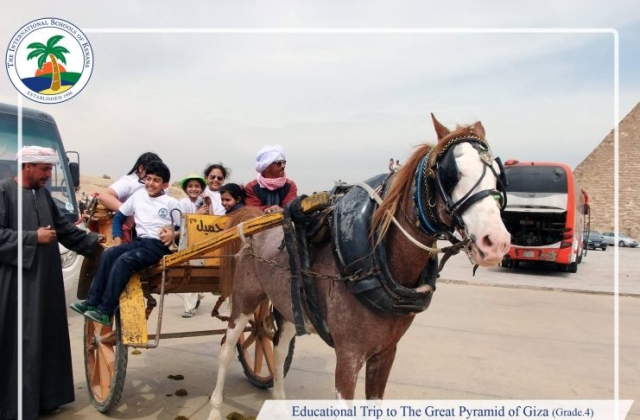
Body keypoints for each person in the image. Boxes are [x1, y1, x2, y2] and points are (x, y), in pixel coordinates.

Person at [0, 146, 103, 420]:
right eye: (45, 170)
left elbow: (64, 230)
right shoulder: (3, 192)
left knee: (48, 335)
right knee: (22, 339)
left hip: (46, 281)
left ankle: (47, 399)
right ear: (28, 167)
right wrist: (32, 237)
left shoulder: (43, 194)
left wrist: (94, 242)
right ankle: (17, 406)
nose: (48, 175)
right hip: (16, 285)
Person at [69, 160, 180, 325]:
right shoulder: (138, 196)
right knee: (109, 254)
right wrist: (118, 240)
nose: (151, 183)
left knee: (124, 261)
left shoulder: (172, 203)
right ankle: (91, 302)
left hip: (158, 244)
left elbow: (183, 229)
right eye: (148, 179)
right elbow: (119, 218)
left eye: (156, 180)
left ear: (165, 184)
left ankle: (105, 311)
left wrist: (173, 234)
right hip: (140, 241)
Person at [177, 172, 207, 317]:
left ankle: (198, 295)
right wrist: (197, 213)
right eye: (190, 186)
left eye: (197, 186)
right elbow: (182, 222)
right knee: (189, 271)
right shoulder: (182, 203)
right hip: (187, 241)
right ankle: (189, 307)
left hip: (203, 240)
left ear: (201, 188)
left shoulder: (205, 202)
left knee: (198, 270)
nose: (193, 189)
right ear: (186, 188)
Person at [244, 145, 298, 213]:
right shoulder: (251, 187)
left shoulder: (290, 185)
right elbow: (252, 209)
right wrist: (267, 209)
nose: (283, 166)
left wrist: (279, 210)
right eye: (279, 163)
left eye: (284, 162)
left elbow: (291, 206)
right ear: (266, 167)